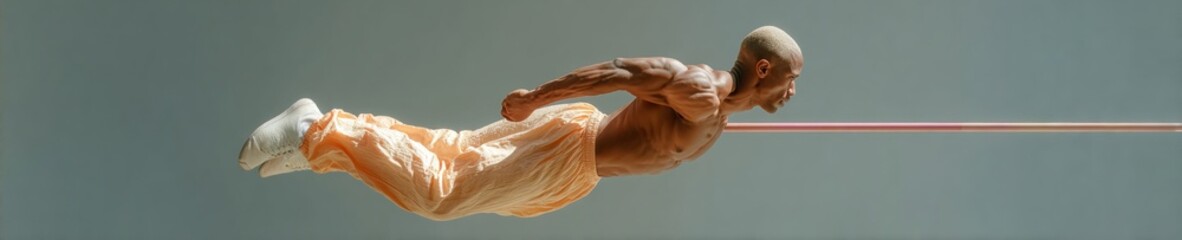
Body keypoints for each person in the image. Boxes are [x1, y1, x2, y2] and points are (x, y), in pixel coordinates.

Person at [237, 26, 803, 221]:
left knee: (448, 150)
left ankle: (320, 143)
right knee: (442, 194)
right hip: (570, 148)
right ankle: (316, 131)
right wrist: (537, 96)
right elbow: (620, 70)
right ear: (762, 67)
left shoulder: (722, 115)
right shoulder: (702, 90)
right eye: (790, 78)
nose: (792, 91)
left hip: (576, 169)